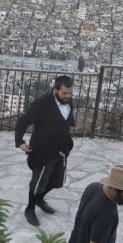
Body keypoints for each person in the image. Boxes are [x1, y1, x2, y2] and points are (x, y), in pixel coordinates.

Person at [14, 74, 75, 227]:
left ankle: (40, 199)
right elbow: (23, 121)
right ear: (55, 90)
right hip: (42, 151)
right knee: (38, 182)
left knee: (57, 181)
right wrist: (19, 141)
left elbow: (65, 122)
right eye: (64, 93)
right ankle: (30, 208)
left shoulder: (68, 102)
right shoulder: (42, 103)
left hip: (60, 150)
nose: (68, 96)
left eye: (70, 93)